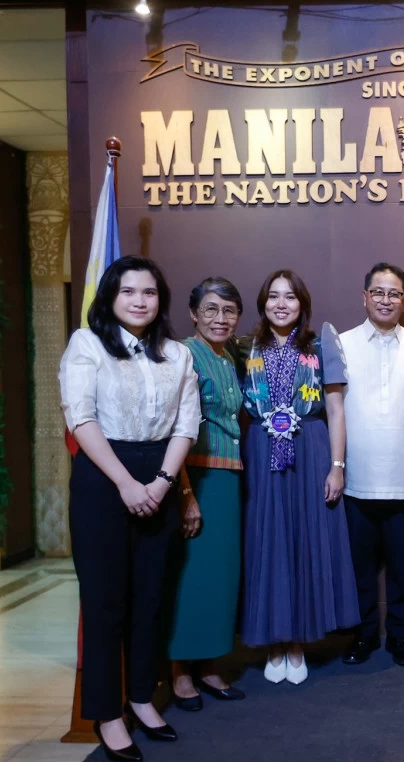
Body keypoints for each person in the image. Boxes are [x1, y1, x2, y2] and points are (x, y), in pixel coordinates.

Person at [59, 255, 200, 762]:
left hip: (158, 471)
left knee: (150, 599)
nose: (140, 301)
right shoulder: (88, 345)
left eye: (150, 293)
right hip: (103, 476)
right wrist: (125, 482)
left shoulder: (178, 354)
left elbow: (187, 423)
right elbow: (81, 417)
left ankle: (142, 697)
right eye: (128, 292)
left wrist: (162, 483)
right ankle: (107, 712)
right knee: (105, 603)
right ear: (110, 298)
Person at [239, 269, 359, 685]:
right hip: (261, 450)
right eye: (273, 296)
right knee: (268, 543)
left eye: (290, 297)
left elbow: (337, 409)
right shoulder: (244, 347)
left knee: (303, 540)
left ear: (302, 304)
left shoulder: (320, 343)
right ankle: (274, 641)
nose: (281, 304)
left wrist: (337, 466)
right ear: (262, 303)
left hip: (310, 448)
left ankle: (297, 644)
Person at [339, 264, 404, 667]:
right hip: (354, 478)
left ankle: (400, 637)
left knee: (402, 567)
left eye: (394, 294)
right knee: (358, 568)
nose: (385, 300)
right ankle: (362, 636)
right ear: (364, 296)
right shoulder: (339, 345)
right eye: (378, 292)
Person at [164, 278, 247, 711]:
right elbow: (173, 427)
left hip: (230, 479)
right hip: (195, 478)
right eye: (211, 309)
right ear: (193, 313)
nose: (221, 318)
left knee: (220, 576)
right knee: (191, 577)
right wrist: (185, 495)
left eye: (229, 311)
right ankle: (180, 671)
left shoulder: (231, 356)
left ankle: (211, 666)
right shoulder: (182, 355)